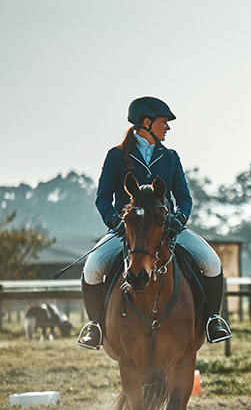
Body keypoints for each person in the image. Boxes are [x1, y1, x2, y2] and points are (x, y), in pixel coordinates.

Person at [77, 97, 231, 349]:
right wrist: (116, 222)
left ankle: (212, 320)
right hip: (126, 231)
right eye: (163, 122)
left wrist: (179, 219)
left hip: (166, 228)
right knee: (92, 268)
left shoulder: (170, 157)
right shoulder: (117, 156)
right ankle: (95, 325)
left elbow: (184, 197)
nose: (167, 128)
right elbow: (103, 197)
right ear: (146, 123)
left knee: (212, 262)